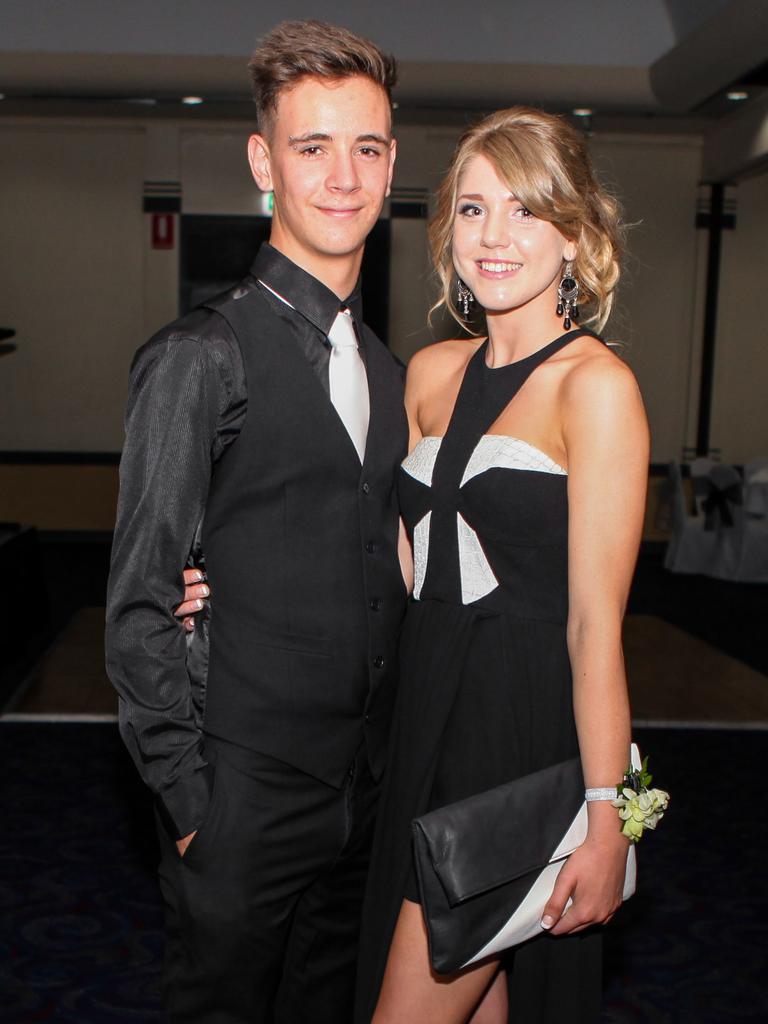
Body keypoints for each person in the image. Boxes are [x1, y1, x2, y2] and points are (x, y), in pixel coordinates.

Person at [105, 21, 409, 1024]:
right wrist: (191, 806)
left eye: (366, 147)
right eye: (312, 146)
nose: (342, 175)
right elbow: (142, 600)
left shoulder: (386, 367)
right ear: (262, 162)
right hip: (240, 802)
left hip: (359, 804)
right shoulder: (199, 357)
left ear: (392, 163)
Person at [351, 107, 649, 1024]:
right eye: (474, 209)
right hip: (422, 711)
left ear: (574, 232)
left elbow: (595, 624)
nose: (495, 236)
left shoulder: (596, 387)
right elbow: (393, 560)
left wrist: (609, 818)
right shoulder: (429, 373)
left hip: (518, 734)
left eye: (525, 211)